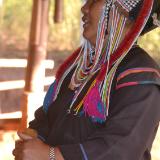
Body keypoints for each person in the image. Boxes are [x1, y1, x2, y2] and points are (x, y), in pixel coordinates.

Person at [13, 0, 160, 159]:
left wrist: (51, 155)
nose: (84, 8)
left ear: (122, 10)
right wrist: (33, 141)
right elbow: (46, 120)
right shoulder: (80, 68)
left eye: (94, 0)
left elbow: (122, 148)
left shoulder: (139, 73)